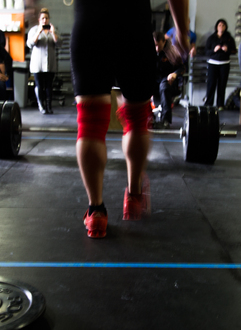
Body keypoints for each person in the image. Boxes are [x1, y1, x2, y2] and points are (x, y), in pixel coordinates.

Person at [70, 0, 189, 238]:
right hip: (133, 24)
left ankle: (96, 214)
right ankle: (134, 198)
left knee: (90, 123)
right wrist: (181, 32)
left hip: (89, 22)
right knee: (136, 117)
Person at [27, 8, 58, 114]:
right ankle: (41, 105)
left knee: (49, 85)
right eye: (43, 18)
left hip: (50, 64)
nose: (45, 20)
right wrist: (39, 32)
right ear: (39, 19)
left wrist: (53, 33)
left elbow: (59, 44)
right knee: (39, 85)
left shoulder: (53, 29)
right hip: (38, 64)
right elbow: (30, 44)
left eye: (46, 18)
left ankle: (49, 106)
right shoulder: (33, 30)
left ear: (49, 19)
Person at [153, 31, 184, 128]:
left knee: (164, 86)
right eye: (155, 45)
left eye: (159, 45)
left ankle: (165, 120)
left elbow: (182, 68)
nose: (157, 48)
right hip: (155, 80)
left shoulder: (171, 51)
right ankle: (147, 117)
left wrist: (175, 74)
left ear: (164, 41)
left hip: (169, 81)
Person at [204, 19, 236, 110]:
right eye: (219, 25)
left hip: (224, 63)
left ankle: (220, 104)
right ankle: (209, 103)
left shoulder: (229, 38)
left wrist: (227, 49)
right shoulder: (211, 38)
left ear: (226, 27)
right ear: (216, 27)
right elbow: (206, 51)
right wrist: (214, 50)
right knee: (211, 84)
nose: (221, 27)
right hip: (213, 63)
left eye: (223, 25)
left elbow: (234, 51)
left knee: (222, 84)